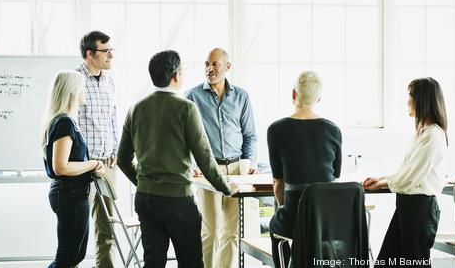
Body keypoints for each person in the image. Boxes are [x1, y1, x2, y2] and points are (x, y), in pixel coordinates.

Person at [117, 50, 239, 268]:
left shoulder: (135, 109)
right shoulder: (186, 108)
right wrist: (227, 187)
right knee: (191, 263)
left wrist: (144, 183)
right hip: (177, 202)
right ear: (175, 76)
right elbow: (204, 158)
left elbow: (122, 160)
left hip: (146, 199)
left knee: (153, 262)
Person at [363, 77, 448, 268]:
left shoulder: (433, 135)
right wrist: (382, 178)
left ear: (421, 100)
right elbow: (408, 170)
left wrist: (382, 183)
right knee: (388, 261)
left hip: (420, 209)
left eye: (410, 96)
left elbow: (411, 176)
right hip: (408, 207)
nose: (407, 100)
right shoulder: (423, 133)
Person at [185, 48, 257, 268]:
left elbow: (250, 135)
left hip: (238, 169)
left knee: (232, 231)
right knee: (212, 229)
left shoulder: (242, 96)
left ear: (227, 66)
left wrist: (250, 162)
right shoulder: (192, 96)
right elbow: (184, 136)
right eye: (207, 64)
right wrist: (192, 164)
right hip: (209, 170)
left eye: (215, 64)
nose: (210, 69)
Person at [267, 71, 342, 268]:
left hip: (293, 215)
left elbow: (278, 183)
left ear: (293, 94)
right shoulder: (333, 130)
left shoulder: (276, 130)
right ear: (319, 99)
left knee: (274, 228)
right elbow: (334, 175)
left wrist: (284, 206)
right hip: (325, 219)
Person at [42, 71, 104, 268]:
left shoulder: (65, 121)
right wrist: (93, 164)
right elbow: (60, 167)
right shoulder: (64, 123)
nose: (85, 91)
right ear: (72, 91)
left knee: (75, 255)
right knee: (67, 258)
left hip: (72, 195)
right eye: (82, 87)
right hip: (69, 195)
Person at [75, 30, 119, 268]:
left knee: (107, 226)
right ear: (90, 53)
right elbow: (69, 122)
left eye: (112, 50)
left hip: (107, 164)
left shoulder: (110, 80)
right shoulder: (74, 80)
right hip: (82, 164)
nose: (111, 55)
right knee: (77, 228)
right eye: (106, 51)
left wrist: (115, 150)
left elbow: (113, 117)